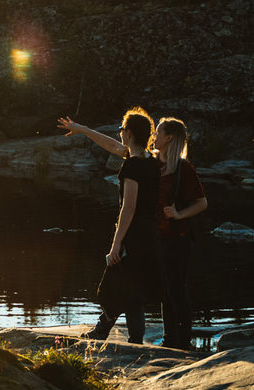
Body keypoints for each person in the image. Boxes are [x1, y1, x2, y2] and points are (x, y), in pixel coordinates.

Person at [57, 108, 161, 342]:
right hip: (149, 233)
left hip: (134, 234)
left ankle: (107, 332)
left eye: (122, 129)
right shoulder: (149, 161)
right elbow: (113, 147)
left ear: (130, 133)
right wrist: (84, 130)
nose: (120, 133)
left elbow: (129, 207)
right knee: (130, 287)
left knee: (114, 285)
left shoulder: (133, 166)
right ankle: (127, 337)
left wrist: (116, 244)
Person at [155, 117, 209, 349]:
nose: (153, 137)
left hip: (179, 239)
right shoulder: (152, 163)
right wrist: (85, 130)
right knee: (164, 288)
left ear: (168, 138)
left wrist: (178, 214)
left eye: (157, 133)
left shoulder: (183, 169)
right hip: (156, 237)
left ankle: (183, 341)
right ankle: (169, 339)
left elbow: (202, 203)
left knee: (175, 288)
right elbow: (120, 148)